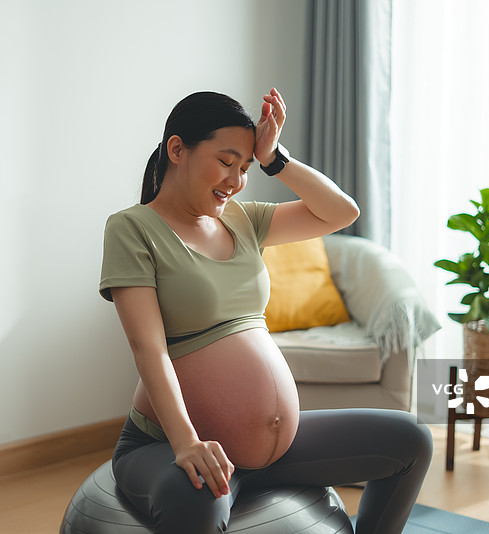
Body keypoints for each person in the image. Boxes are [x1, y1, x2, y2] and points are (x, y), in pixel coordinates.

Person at [99, 88, 432, 533]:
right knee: (198, 507)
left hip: (274, 448)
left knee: (410, 441)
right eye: (225, 160)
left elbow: (341, 212)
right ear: (177, 149)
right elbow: (149, 348)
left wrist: (276, 158)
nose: (236, 180)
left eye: (246, 168)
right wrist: (187, 443)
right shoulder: (132, 228)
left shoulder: (243, 219)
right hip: (167, 443)